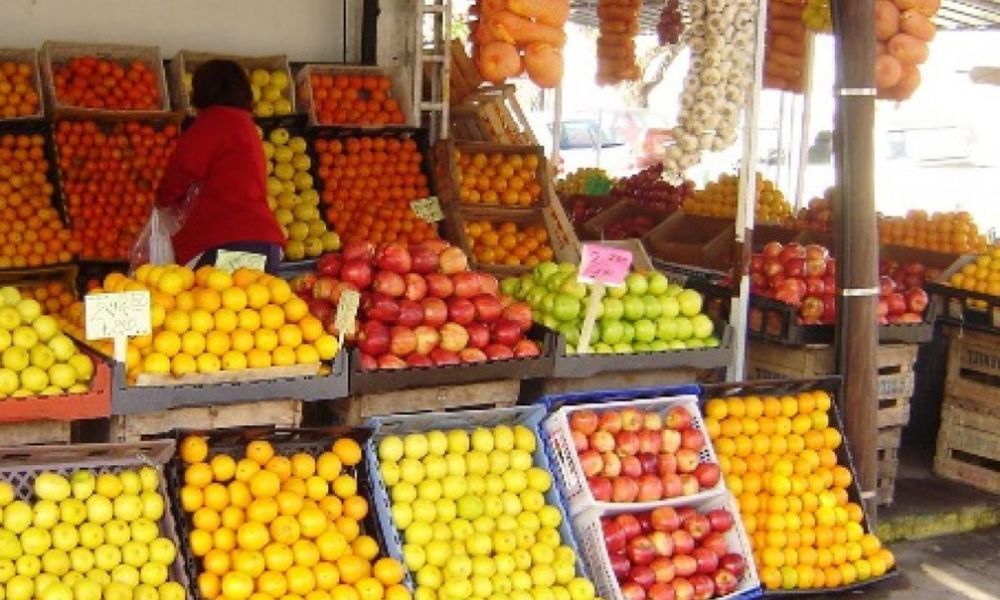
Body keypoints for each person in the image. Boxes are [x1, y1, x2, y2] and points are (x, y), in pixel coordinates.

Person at [155, 59, 284, 272]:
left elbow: (182, 169)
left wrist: (162, 201)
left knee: (212, 303)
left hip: (223, 240)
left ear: (201, 93)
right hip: (264, 242)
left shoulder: (211, 123)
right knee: (257, 303)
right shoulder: (247, 127)